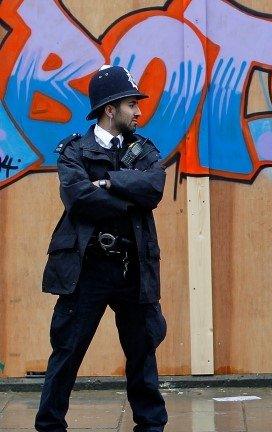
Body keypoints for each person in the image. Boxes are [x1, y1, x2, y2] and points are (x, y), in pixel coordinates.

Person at [35, 65, 167, 431]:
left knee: (142, 352)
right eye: (131, 105)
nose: (139, 112)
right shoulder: (74, 150)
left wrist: (108, 182)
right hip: (87, 266)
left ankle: (151, 425)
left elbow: (153, 188)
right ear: (111, 109)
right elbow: (78, 199)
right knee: (67, 352)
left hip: (132, 265)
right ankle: (49, 425)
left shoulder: (145, 150)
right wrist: (128, 197)